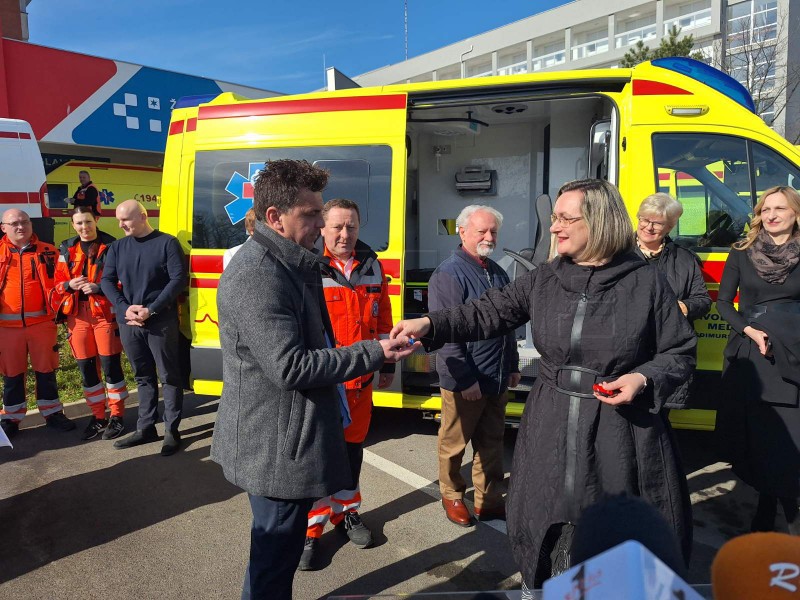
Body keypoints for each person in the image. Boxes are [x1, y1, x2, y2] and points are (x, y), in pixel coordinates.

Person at [391, 179, 696, 589]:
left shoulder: (645, 283)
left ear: (600, 222)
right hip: (550, 420)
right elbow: (484, 312)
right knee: (544, 523)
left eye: (566, 218)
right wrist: (430, 324)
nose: (553, 228)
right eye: (554, 218)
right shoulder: (545, 279)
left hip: (619, 430)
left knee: (608, 542)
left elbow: (679, 353)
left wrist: (643, 377)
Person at [211, 159, 418, 600]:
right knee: (273, 559)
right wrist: (376, 352)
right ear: (275, 218)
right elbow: (291, 367)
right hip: (276, 448)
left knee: (276, 556)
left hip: (290, 437)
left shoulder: (292, 263)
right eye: (310, 215)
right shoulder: (258, 275)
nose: (321, 225)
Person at [298, 198, 396, 571]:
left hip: (361, 382)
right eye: (337, 226)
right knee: (318, 460)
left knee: (352, 453)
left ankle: (346, 514)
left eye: (351, 226)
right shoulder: (309, 266)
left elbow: (383, 314)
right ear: (321, 228)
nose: (344, 234)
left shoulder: (372, 264)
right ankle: (310, 531)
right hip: (325, 383)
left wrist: (386, 362)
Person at [427, 204, 520, 527]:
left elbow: (508, 324)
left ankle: (489, 500)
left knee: (492, 443)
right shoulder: (448, 274)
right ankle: (452, 495)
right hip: (465, 380)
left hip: (494, 376)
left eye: (493, 231)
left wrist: (512, 364)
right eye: (481, 230)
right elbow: (446, 333)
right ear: (462, 231)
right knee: (454, 445)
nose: (489, 236)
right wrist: (465, 379)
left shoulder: (497, 271)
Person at [716, 185, 800, 535]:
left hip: (793, 352)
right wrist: (748, 329)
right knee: (760, 435)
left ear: (796, 213)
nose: (771, 215)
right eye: (766, 209)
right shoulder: (742, 251)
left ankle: (789, 506)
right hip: (752, 353)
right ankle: (766, 504)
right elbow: (723, 303)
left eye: (780, 208)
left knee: (790, 436)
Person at [99, 199, 187, 456]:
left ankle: (172, 430)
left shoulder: (167, 243)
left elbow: (178, 279)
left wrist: (152, 309)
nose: (120, 224)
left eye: (125, 219)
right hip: (129, 321)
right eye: (118, 220)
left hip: (159, 321)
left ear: (143, 216)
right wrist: (124, 307)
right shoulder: (117, 247)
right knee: (142, 375)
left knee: (169, 375)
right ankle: (146, 427)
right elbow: (106, 280)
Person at [51, 207, 129, 441]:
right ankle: (98, 417)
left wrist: (99, 288)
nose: (84, 227)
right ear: (73, 225)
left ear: (96, 220)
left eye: (88, 222)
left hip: (105, 314)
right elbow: (57, 283)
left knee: (110, 366)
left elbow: (124, 281)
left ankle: (117, 416)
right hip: (77, 316)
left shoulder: (113, 246)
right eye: (79, 223)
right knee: (86, 369)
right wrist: (69, 285)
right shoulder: (66, 248)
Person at [0, 209, 75, 437]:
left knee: (46, 370)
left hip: (43, 324)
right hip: (6, 327)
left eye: (24, 222)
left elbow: (63, 284)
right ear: (3, 227)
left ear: (31, 224)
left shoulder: (50, 252)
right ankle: (11, 419)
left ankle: (53, 414)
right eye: (14, 223)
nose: (20, 227)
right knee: (11, 374)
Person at [634, 193, 711, 323]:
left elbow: (703, 300)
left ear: (669, 227)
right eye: (645, 220)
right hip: (628, 339)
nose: (649, 227)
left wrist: (685, 307)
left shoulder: (685, 258)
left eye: (657, 223)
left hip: (671, 338)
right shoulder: (617, 253)